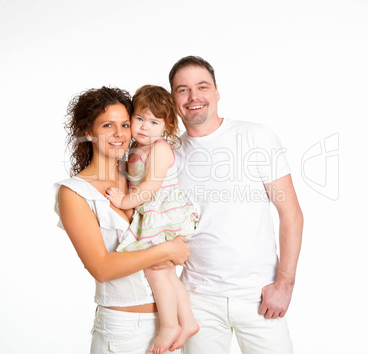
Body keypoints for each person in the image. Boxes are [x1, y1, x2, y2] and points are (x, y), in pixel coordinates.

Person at [168, 56, 304, 354]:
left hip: (259, 296)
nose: (194, 97)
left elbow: (290, 213)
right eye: (183, 90)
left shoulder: (255, 136)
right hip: (198, 299)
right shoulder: (169, 155)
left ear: (217, 91)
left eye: (202, 86)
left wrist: (284, 284)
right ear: (173, 99)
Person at [54, 86, 190, 354]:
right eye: (107, 125)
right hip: (122, 329)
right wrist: (168, 250)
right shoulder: (74, 193)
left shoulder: (137, 175)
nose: (119, 134)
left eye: (125, 124)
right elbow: (102, 268)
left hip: (167, 325)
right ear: (88, 132)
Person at [105, 85, 199, 354]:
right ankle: (188, 321)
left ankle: (170, 324)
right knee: (167, 273)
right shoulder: (136, 146)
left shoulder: (159, 149)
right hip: (154, 212)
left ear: (166, 126)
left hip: (165, 214)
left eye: (154, 122)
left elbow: (149, 187)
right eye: (139, 119)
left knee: (155, 270)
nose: (145, 127)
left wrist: (124, 202)